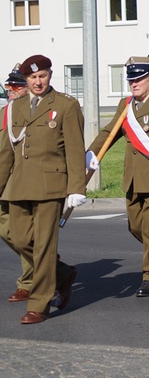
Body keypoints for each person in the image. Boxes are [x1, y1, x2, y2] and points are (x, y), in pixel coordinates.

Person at [86, 56, 149, 297]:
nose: (134, 83)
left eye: (139, 79)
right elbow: (109, 132)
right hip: (132, 179)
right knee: (136, 228)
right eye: (131, 79)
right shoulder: (126, 105)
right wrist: (92, 153)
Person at [0, 55, 84, 324]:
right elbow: (5, 154)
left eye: (43, 76)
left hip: (51, 186)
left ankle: (39, 304)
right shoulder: (14, 108)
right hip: (18, 185)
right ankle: (62, 274)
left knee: (45, 246)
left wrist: (76, 187)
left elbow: (74, 149)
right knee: (21, 239)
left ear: (50, 75)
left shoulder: (65, 105)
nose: (38, 82)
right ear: (26, 80)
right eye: (33, 78)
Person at [1, 66, 33, 302]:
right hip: (4, 178)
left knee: (24, 232)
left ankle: (29, 282)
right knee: (7, 230)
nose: (10, 91)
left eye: (16, 87)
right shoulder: (4, 113)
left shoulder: (35, 112)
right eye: (9, 86)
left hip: (24, 179)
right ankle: (51, 265)